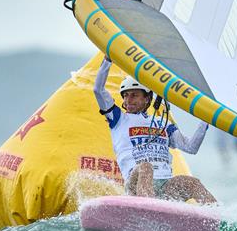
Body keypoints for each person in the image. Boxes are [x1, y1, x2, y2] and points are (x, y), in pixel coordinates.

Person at [93, 56, 216, 203]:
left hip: (165, 186)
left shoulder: (162, 123)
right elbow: (98, 90)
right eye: (125, 96)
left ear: (147, 99)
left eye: (134, 95)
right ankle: (148, 210)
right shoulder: (118, 118)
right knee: (146, 167)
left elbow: (191, 147)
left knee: (192, 182)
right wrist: (108, 59)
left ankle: (220, 218)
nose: (128, 100)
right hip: (136, 183)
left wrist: (206, 118)